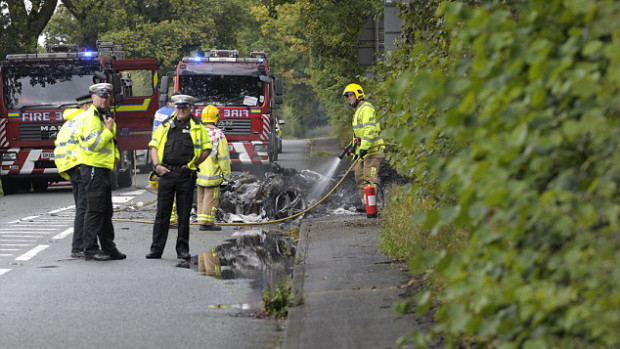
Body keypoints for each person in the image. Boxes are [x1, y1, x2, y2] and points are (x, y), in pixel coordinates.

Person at [146, 94, 211, 260]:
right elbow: (154, 145)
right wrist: (157, 166)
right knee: (162, 214)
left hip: (185, 175)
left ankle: (182, 250)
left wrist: (193, 164)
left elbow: (206, 148)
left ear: (190, 108)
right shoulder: (166, 124)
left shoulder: (197, 126)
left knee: (183, 215)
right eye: (178, 107)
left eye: (184, 108)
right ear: (175, 108)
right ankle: (156, 250)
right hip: (166, 173)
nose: (181, 110)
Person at [77, 83, 126, 261]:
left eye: (106, 97)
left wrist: (116, 157)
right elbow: (94, 144)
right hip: (93, 168)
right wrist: (107, 129)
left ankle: (108, 247)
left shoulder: (103, 116)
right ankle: (90, 249)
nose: (104, 99)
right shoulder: (91, 118)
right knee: (95, 211)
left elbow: (111, 143)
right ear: (93, 97)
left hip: (102, 169)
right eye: (100, 96)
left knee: (106, 212)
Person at [54, 94, 99, 258]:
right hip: (81, 166)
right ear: (87, 106)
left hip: (71, 167)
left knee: (82, 208)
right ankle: (79, 246)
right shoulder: (84, 120)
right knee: (86, 208)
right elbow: (91, 144)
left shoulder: (69, 122)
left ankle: (80, 245)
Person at [342, 83, 385, 209]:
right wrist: (353, 148)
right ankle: (366, 204)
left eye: (350, 95)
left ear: (358, 95)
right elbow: (358, 135)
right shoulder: (358, 111)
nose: (348, 98)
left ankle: (372, 207)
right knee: (359, 177)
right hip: (362, 152)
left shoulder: (366, 109)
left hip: (372, 151)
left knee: (369, 179)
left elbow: (369, 130)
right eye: (347, 96)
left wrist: (364, 147)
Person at [196, 105, 231, 231]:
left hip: (199, 173)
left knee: (200, 197)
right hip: (212, 173)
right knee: (211, 198)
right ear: (216, 118)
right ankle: (207, 223)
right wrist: (227, 174)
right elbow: (223, 157)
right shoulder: (218, 134)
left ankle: (201, 220)